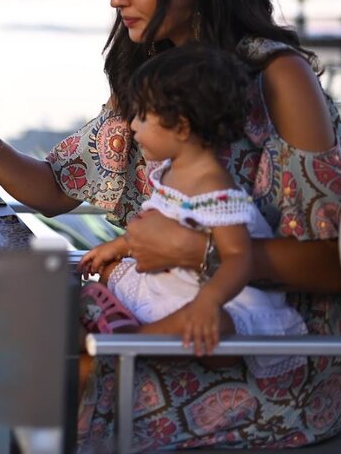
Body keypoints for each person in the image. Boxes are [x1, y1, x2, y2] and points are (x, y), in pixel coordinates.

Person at [0, 0, 341, 449]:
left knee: (28, 386)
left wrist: (194, 252)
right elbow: (56, 187)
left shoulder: (279, 81)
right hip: (160, 321)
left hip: (271, 363)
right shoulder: (155, 78)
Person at [78, 44, 307, 379]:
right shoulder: (171, 170)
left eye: (143, 116)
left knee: (203, 322)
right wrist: (115, 248)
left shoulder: (214, 187)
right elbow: (157, 220)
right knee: (113, 269)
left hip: (225, 298)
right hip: (179, 283)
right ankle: (130, 322)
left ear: (182, 127)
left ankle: (134, 341)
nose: (132, 126)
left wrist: (209, 302)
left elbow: (238, 259)